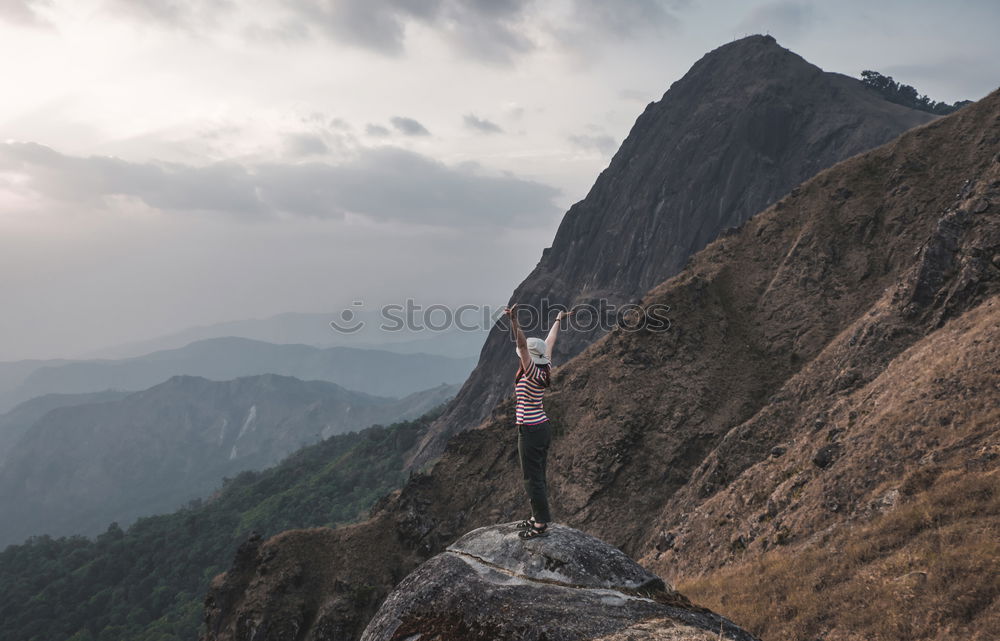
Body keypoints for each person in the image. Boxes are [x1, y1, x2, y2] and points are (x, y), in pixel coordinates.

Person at [504, 304, 573, 540]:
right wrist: (558, 319)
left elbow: (522, 346)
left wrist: (515, 322)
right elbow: (550, 341)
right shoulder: (545, 365)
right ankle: (537, 516)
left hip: (531, 430)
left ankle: (540, 523)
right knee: (538, 474)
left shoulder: (531, 370)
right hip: (541, 427)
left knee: (531, 477)